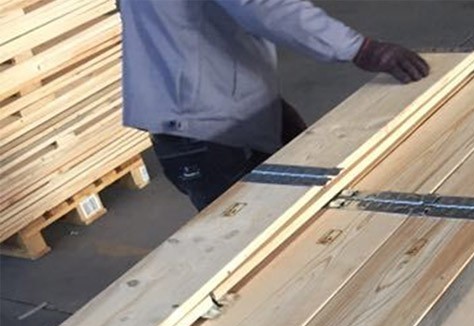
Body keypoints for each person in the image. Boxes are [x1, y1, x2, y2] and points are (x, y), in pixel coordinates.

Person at [118, 0, 430, 210]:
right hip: (204, 126)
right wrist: (359, 48)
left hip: (205, 105)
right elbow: (265, 7)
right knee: (252, 245)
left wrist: (266, 104)